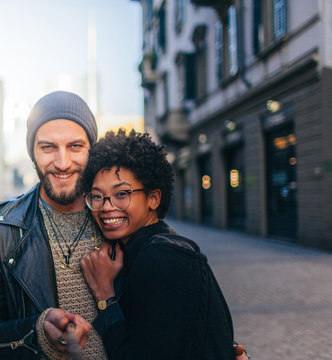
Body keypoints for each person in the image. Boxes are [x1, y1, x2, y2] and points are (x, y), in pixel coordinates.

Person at [0, 91, 107, 359]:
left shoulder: (115, 219)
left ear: (91, 150)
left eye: (75, 146)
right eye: (48, 147)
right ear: (32, 153)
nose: (62, 163)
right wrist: (34, 332)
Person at [80, 129, 243, 359]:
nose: (106, 206)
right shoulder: (148, 248)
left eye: (121, 194)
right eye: (97, 196)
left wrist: (104, 296)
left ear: (154, 198)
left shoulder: (162, 257)